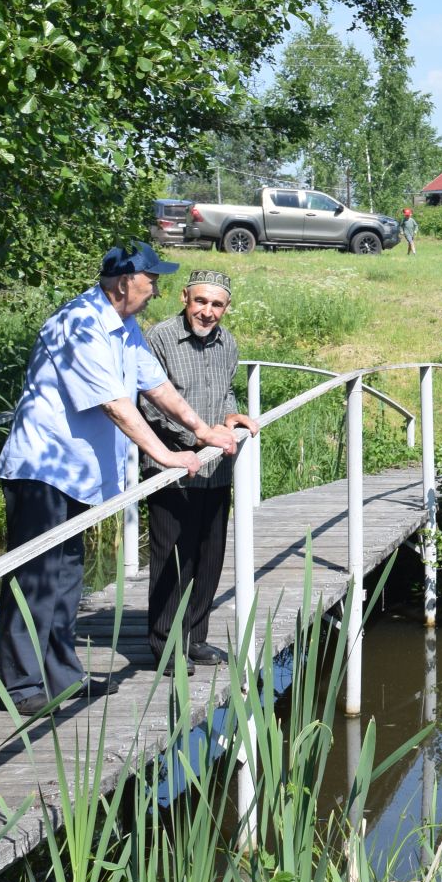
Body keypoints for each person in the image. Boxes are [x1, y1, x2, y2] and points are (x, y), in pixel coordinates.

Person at [0, 243, 238, 710]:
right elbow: (115, 404)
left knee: (65, 575)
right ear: (126, 282)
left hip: (74, 473)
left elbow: (156, 386)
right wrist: (165, 454)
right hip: (41, 469)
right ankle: (23, 685)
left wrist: (204, 429)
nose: (157, 290)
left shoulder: (124, 327)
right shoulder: (79, 324)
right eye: (152, 280)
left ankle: (62, 674)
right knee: (33, 578)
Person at [139, 268, 258, 671]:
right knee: (174, 556)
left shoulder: (228, 344)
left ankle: (195, 636)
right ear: (185, 297)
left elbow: (224, 389)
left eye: (217, 304)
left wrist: (231, 418)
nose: (207, 312)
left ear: (226, 308)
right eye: (201, 301)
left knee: (210, 555)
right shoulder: (160, 338)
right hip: (170, 466)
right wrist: (194, 438)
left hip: (215, 468)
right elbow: (149, 403)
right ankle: (165, 644)